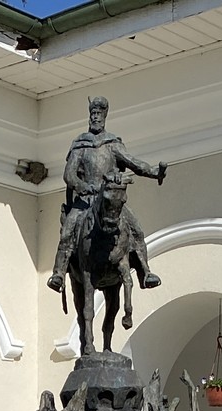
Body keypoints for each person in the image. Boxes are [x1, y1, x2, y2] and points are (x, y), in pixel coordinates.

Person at [47, 97, 166, 296]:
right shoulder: (81, 145)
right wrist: (83, 186)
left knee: (136, 229)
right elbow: (69, 174)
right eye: (93, 114)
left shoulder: (112, 144)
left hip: (110, 199)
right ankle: (58, 273)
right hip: (85, 201)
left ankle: (145, 272)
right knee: (67, 231)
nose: (95, 117)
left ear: (104, 117)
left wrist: (154, 172)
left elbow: (134, 163)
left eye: (99, 114)